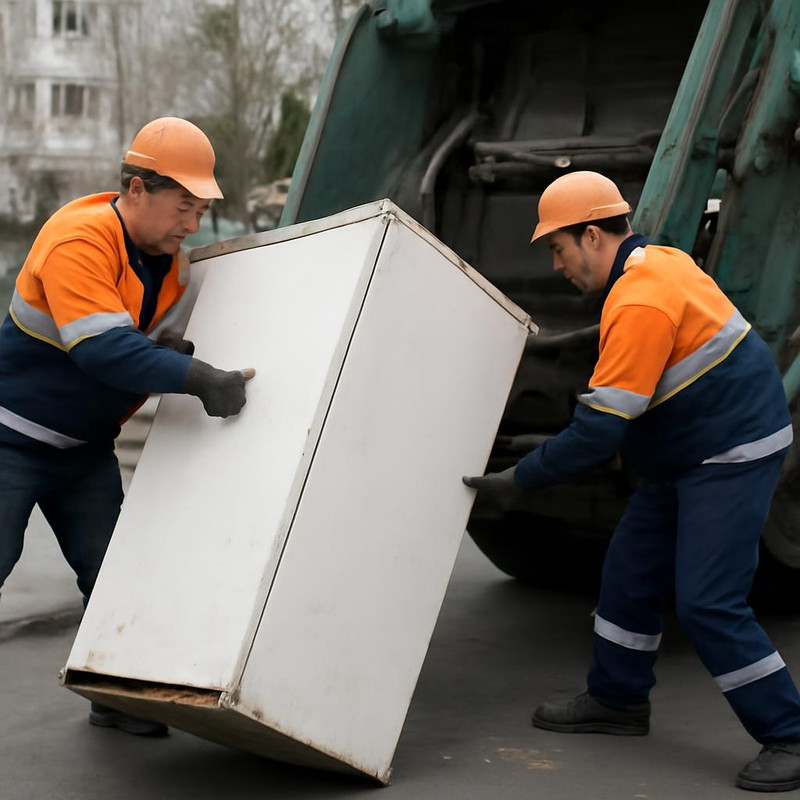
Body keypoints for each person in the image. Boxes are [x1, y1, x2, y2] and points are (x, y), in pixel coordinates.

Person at [463, 171, 800, 792]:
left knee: (707, 600)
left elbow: (598, 433)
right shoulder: (654, 259)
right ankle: (618, 701)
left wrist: (519, 480)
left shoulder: (640, 298)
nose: (558, 266)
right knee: (628, 571)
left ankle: (789, 733)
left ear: (591, 235)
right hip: (685, 450)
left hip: (732, 447)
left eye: (558, 249)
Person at [0, 117, 255, 736]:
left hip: (84, 451)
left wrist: (167, 348)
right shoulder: (79, 238)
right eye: (184, 207)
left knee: (113, 573)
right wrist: (195, 376)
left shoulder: (168, 265)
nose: (192, 225)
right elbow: (101, 349)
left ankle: (114, 696)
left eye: (200, 210)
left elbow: (132, 337)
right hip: (10, 441)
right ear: (137, 190)